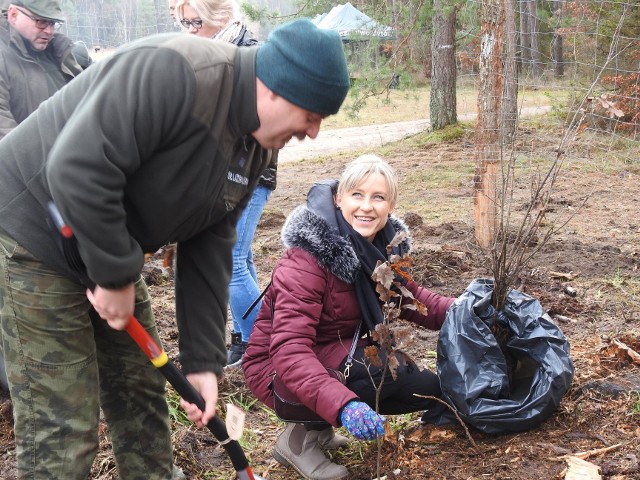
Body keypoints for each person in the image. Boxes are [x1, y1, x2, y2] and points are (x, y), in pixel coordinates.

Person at [0, 19, 350, 479]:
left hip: (106, 245)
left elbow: (209, 247)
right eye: (311, 116)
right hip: (33, 232)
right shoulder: (179, 73)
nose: (314, 132)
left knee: (142, 393)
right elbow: (76, 167)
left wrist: (205, 365)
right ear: (276, 90)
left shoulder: (256, 147)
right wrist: (116, 277)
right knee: (64, 424)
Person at [242, 155, 457, 479]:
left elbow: (412, 300)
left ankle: (321, 425)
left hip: (338, 353)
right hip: (275, 369)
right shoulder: (308, 259)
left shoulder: (381, 250)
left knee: (425, 385)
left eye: (378, 197)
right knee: (374, 370)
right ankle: (299, 439)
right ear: (339, 198)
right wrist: (344, 406)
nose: (366, 206)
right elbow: (289, 350)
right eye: (357, 195)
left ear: (391, 205)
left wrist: (464, 310)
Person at [176, 0, 277, 368]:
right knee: (242, 257)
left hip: (247, 171)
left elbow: (253, 123)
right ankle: (246, 336)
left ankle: (260, 345)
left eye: (194, 21)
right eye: (182, 21)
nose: (187, 28)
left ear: (218, 16)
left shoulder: (248, 54)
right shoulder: (207, 53)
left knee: (230, 259)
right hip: (222, 173)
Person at [0, 0, 86, 140]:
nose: (49, 31)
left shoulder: (58, 49)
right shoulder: (3, 54)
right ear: (13, 15)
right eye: (41, 21)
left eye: (52, 23)